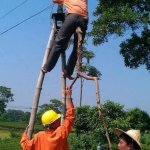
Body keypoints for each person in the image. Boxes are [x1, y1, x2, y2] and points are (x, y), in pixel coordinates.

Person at [41, 0, 88, 80]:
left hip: (72, 17)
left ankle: (47, 67)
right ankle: (68, 72)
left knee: (58, 42)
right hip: (84, 19)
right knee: (77, 49)